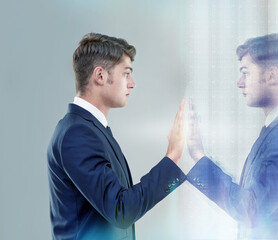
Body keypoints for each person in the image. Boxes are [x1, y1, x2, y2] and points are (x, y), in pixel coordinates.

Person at [47, 33, 186, 240]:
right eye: (126, 74)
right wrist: (172, 156)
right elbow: (121, 210)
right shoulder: (77, 134)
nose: (132, 84)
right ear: (100, 76)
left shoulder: (91, 130)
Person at [187, 34, 278, 239]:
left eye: (246, 73)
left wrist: (199, 155)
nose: (240, 83)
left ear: (272, 75)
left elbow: (251, 210)